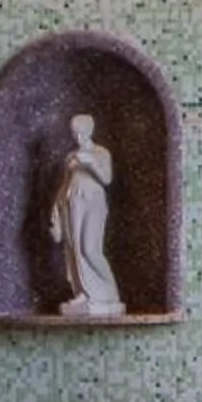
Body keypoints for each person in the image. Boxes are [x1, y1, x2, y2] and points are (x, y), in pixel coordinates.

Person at [48, 112, 125, 318]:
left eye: (80, 132)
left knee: (90, 249)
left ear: (89, 131)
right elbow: (64, 186)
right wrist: (55, 214)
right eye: (74, 133)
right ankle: (83, 292)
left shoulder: (101, 152)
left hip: (93, 201)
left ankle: (109, 293)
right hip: (72, 202)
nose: (77, 137)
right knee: (73, 248)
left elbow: (107, 178)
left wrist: (90, 162)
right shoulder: (70, 158)